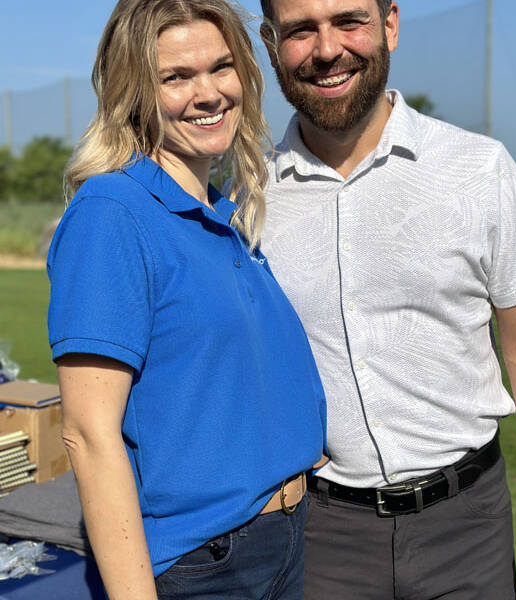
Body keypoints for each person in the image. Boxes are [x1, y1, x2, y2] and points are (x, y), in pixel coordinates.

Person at [255, 1, 516, 599]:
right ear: (270, 42)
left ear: (390, 25)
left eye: (349, 21)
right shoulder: (247, 196)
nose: (328, 49)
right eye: (301, 29)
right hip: (321, 536)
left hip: (468, 528)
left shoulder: (478, 169)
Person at [46, 1, 327, 599]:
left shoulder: (221, 210)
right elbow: (89, 436)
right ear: (135, 93)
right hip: (208, 566)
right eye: (176, 77)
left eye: (221, 67)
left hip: (284, 538)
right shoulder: (112, 214)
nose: (208, 93)